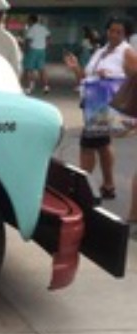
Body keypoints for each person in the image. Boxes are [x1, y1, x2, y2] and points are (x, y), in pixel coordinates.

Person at [64, 17, 137, 202]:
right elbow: (85, 78)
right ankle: (108, 185)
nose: (113, 34)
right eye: (111, 30)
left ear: (126, 34)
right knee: (103, 145)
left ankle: (82, 190)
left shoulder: (127, 53)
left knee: (86, 146)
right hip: (92, 102)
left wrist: (113, 76)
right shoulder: (101, 51)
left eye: (118, 32)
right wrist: (75, 68)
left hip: (106, 107)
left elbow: (134, 81)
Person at [23, 14, 52, 94]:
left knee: (29, 69)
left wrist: (25, 50)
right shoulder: (43, 28)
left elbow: (28, 40)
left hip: (33, 50)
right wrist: (46, 46)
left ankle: (28, 88)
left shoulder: (31, 29)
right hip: (42, 50)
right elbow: (49, 37)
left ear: (31, 21)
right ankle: (46, 87)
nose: (28, 22)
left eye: (28, 21)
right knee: (42, 69)